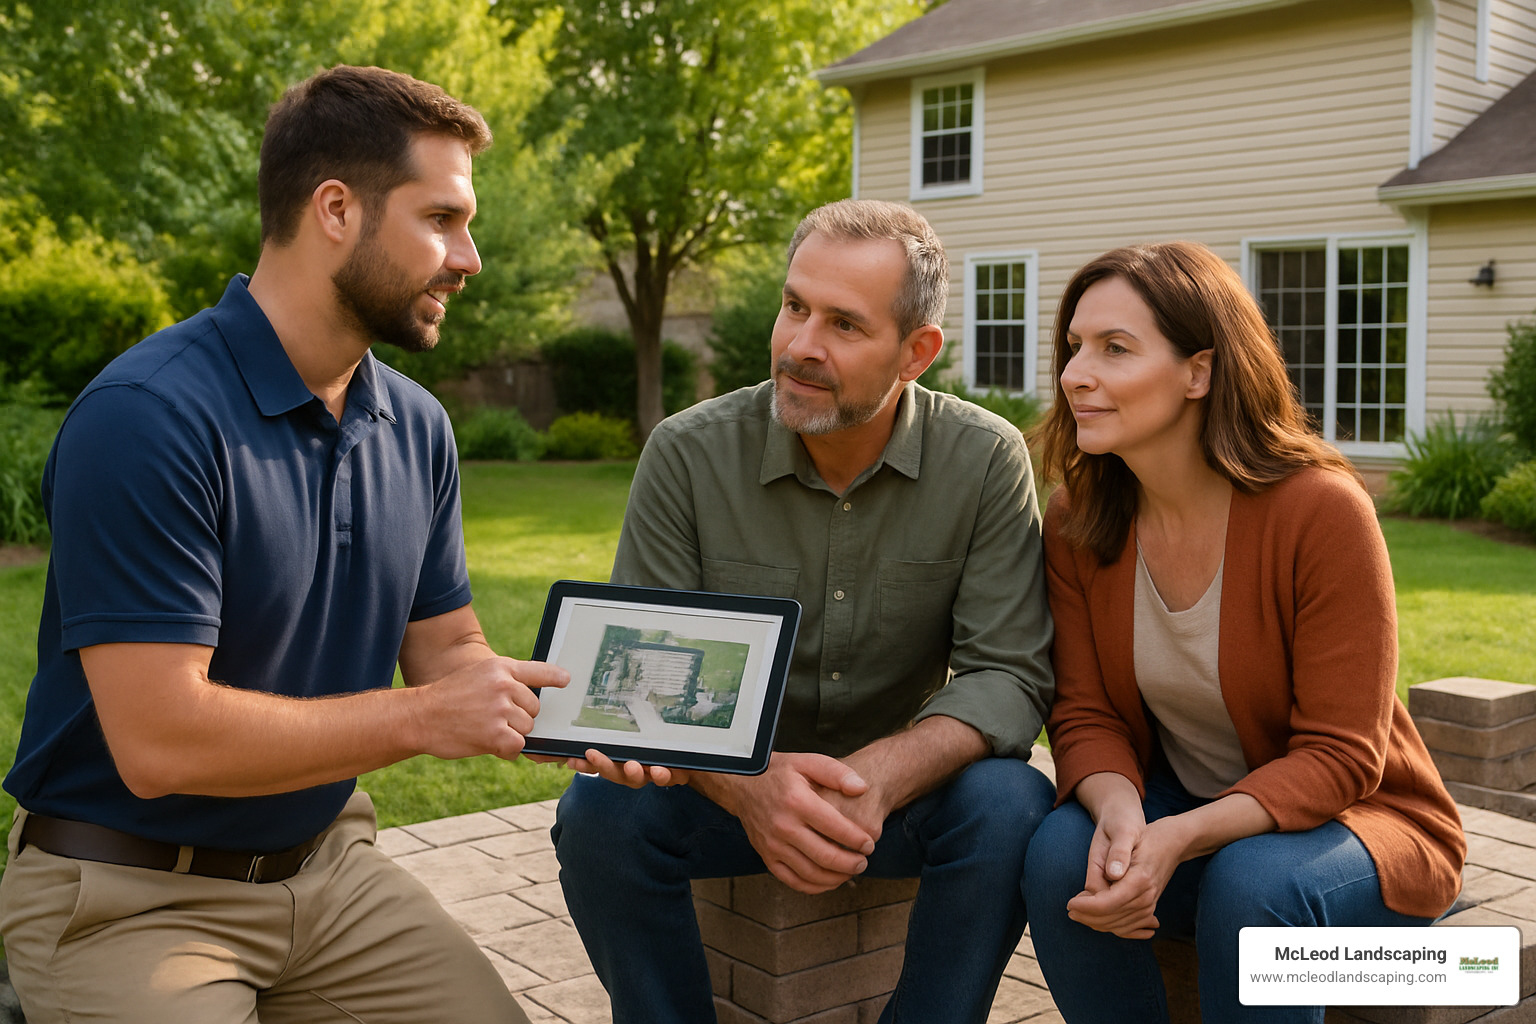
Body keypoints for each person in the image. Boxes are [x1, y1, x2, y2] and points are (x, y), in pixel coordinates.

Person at [0, 65, 568, 1024]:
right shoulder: (149, 418)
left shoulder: (416, 425)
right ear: (336, 209)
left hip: (330, 875)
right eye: (442, 219)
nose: (469, 258)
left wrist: (589, 713)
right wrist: (425, 717)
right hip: (130, 898)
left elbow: (447, 651)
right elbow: (159, 742)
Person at [550, 198, 1058, 1024]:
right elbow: (637, 674)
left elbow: (1009, 673)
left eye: (844, 325)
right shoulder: (687, 452)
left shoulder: (985, 460)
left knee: (1011, 806)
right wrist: (754, 786)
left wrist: (877, 781)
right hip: (720, 796)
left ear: (916, 352)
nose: (800, 346)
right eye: (794, 307)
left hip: (898, 799)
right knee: (600, 816)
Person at [1020, 241, 1466, 1024]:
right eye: (1075, 347)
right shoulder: (1078, 516)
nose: (1074, 374)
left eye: (1115, 349)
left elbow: (1340, 756)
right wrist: (1126, 819)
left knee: (1253, 885)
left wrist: (1178, 839)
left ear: (1199, 371)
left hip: (1357, 830)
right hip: (1189, 809)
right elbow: (1084, 713)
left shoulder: (1321, 511)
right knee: (1063, 852)